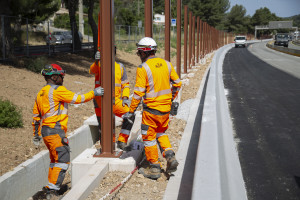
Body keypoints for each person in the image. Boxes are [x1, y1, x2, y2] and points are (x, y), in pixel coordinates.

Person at [32, 64, 104, 195]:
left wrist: (36, 135)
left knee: (55, 160)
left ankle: (51, 186)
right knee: (63, 160)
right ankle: (53, 191)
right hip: (55, 130)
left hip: (46, 131)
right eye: (61, 76)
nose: (63, 78)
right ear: (54, 77)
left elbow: (36, 116)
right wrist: (94, 93)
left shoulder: (41, 92)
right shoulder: (58, 90)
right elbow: (78, 99)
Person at [125, 37, 182, 179]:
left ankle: (155, 168)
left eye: (139, 53)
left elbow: (138, 93)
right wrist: (171, 98)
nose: (139, 55)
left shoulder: (143, 68)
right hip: (165, 110)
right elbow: (177, 83)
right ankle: (169, 155)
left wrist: (131, 110)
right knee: (161, 133)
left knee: (149, 138)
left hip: (151, 111)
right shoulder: (167, 64)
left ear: (144, 52)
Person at [89, 46, 133, 150]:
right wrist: (96, 61)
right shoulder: (99, 65)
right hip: (100, 101)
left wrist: (125, 97)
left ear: (114, 54)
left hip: (115, 100)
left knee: (130, 115)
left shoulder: (120, 67)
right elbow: (92, 71)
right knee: (103, 125)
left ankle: (122, 140)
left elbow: (125, 84)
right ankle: (107, 146)